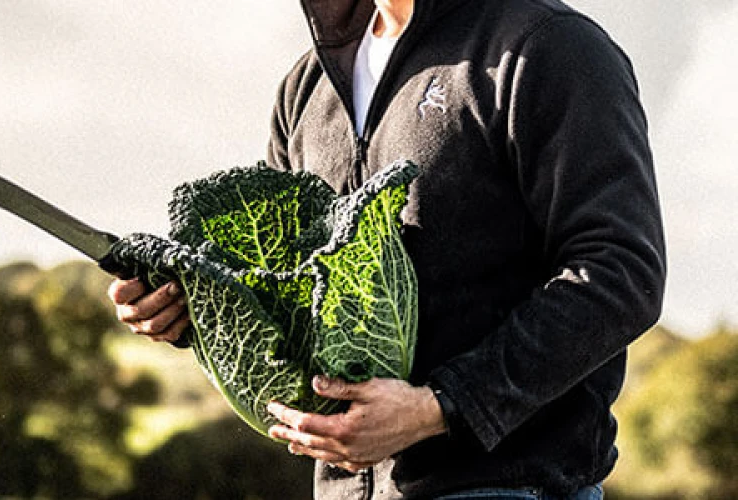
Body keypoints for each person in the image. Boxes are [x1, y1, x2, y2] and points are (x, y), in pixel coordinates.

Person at [108, 0, 666, 498]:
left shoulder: (546, 45)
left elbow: (620, 270)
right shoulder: (305, 88)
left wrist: (440, 406)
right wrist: (190, 310)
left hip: (508, 487)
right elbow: (280, 289)